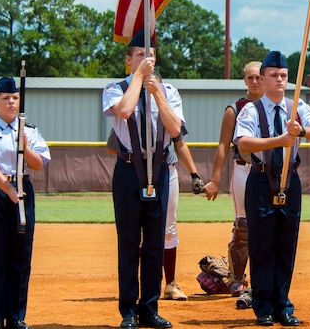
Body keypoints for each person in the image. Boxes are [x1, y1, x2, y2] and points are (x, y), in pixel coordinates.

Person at [102, 29, 186, 329]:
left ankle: (150, 307)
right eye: (139, 55)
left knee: (154, 242)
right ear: (128, 60)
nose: (146, 60)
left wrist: (157, 94)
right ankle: (129, 310)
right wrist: (138, 78)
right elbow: (124, 111)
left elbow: (176, 130)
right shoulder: (115, 88)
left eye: (149, 56)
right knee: (128, 242)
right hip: (128, 170)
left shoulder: (170, 91)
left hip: (159, 169)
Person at [233, 51, 310, 327]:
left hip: (289, 180)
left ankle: (283, 304)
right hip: (260, 181)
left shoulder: (298, 107)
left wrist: (301, 132)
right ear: (262, 78)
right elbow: (243, 143)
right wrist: (279, 140)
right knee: (261, 245)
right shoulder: (251, 109)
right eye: (274, 75)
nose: (280, 80)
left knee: (286, 244)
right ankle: (263, 306)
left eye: (284, 76)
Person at [0, 76, 51, 329]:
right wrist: (7, 189)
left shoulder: (29, 130)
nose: (11, 102)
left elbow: (38, 164)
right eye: (5, 98)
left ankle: (16, 316)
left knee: (21, 253)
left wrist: (25, 147)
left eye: (15, 98)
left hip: (22, 188)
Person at [203, 61, 263, 308]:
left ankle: (264, 277)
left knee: (269, 223)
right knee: (244, 224)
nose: (256, 81)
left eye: (260, 77)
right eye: (251, 77)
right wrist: (215, 179)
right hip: (244, 169)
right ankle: (237, 278)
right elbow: (222, 145)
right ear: (244, 80)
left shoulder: (276, 106)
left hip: (269, 171)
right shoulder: (235, 109)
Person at [163, 125, 204, 301]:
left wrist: (194, 174)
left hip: (167, 169)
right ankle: (147, 282)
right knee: (142, 229)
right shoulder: (133, 111)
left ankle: (170, 284)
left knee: (169, 229)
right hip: (137, 171)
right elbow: (114, 144)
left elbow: (179, 142)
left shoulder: (169, 111)